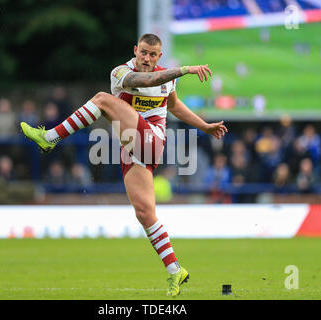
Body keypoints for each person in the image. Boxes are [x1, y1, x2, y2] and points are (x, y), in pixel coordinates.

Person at [20, 33, 228, 296]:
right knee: (144, 213)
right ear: (135, 50)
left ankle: (50, 137)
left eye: (153, 55)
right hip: (133, 149)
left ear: (159, 56)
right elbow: (146, 80)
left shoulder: (167, 79)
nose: (147, 58)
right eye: (143, 52)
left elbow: (174, 107)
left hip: (152, 141)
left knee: (102, 99)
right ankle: (176, 271)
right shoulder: (121, 72)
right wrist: (184, 70)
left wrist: (204, 126)